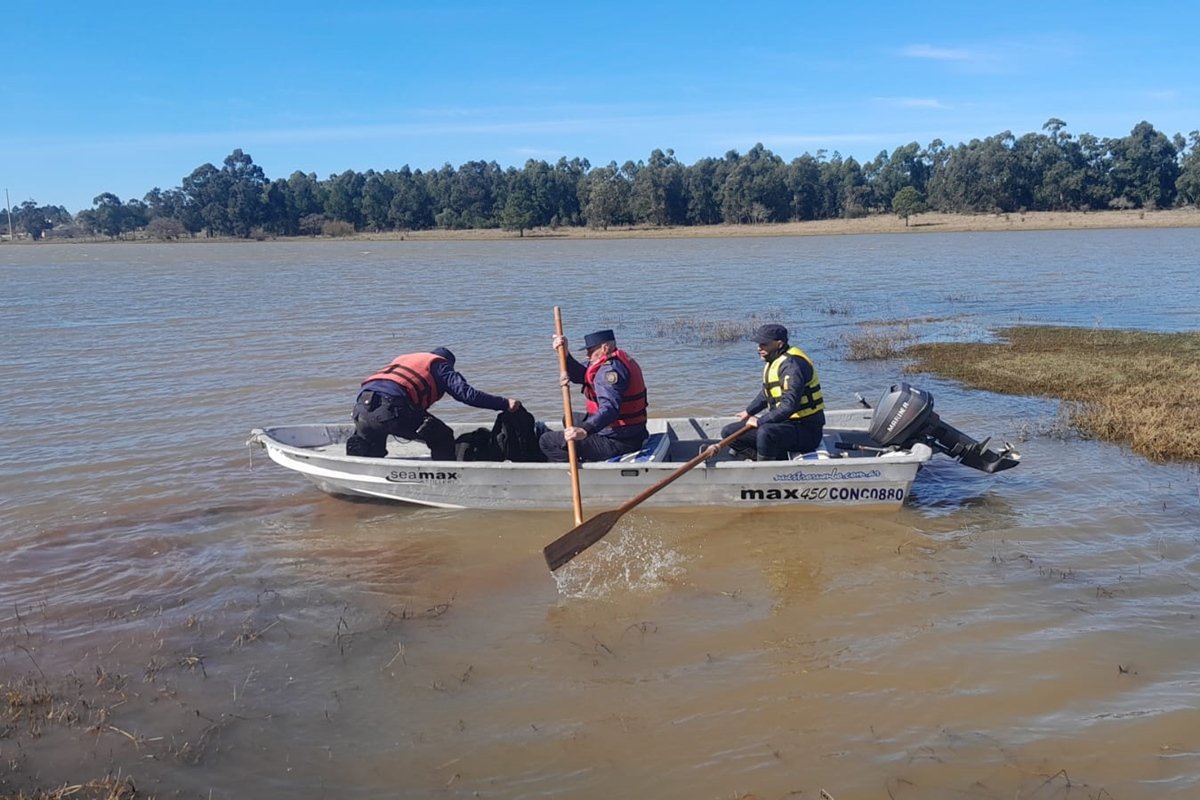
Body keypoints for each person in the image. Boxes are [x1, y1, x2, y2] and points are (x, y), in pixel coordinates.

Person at [346, 347, 521, 460]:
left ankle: (362, 458)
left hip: (361, 407)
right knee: (442, 436)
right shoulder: (440, 365)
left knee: (373, 449)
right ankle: (447, 478)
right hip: (391, 408)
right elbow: (467, 395)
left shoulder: (407, 358)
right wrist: (505, 403)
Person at [539, 328, 649, 462]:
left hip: (620, 441)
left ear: (605, 348)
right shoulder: (612, 360)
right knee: (569, 418)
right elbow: (581, 374)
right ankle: (582, 454)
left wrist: (585, 430)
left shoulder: (608, 372)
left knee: (546, 441)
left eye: (590, 351)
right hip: (630, 432)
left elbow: (610, 408)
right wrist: (565, 354)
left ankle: (580, 471)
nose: (587, 355)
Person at [721, 323, 825, 461]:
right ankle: (773, 459)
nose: (759, 348)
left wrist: (761, 421)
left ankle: (765, 470)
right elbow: (768, 393)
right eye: (758, 344)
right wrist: (749, 412)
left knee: (766, 432)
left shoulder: (793, 366)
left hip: (806, 430)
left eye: (764, 344)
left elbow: (790, 405)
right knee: (729, 432)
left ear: (779, 344)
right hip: (784, 426)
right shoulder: (775, 360)